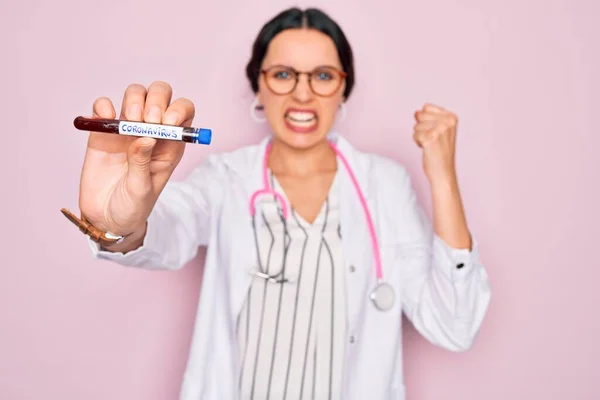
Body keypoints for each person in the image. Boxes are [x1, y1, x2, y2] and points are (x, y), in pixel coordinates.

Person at [62, 7, 491, 400]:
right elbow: (167, 229)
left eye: (323, 76)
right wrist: (117, 224)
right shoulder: (227, 179)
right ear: (258, 87)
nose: (303, 94)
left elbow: (455, 324)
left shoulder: (385, 184)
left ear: (344, 90)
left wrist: (443, 177)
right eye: (283, 74)